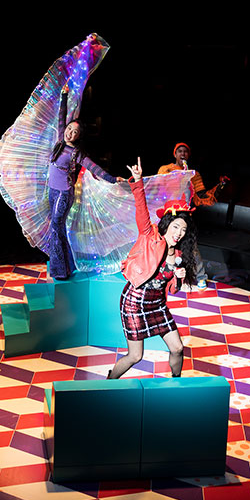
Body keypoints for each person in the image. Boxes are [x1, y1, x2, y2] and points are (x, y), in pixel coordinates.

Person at [108, 157, 197, 379]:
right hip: (135, 302)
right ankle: (108, 382)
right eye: (176, 227)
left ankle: (176, 384)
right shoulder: (150, 236)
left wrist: (178, 278)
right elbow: (141, 209)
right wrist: (137, 182)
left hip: (157, 304)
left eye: (183, 230)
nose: (179, 233)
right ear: (167, 225)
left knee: (177, 348)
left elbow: (172, 292)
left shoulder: (178, 254)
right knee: (135, 356)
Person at [47, 84, 119, 279]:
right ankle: (67, 265)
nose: (70, 132)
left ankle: (61, 271)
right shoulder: (60, 141)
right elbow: (61, 118)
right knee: (57, 229)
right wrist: (63, 96)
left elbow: (95, 167)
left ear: (79, 136)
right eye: (69, 129)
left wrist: (112, 179)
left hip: (63, 193)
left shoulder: (76, 153)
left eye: (75, 132)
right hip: (52, 191)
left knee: (55, 228)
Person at [157, 142, 230, 290]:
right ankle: (160, 274)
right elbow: (157, 187)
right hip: (168, 215)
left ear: (188, 155)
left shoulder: (193, 174)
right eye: (180, 151)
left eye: (185, 152)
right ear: (175, 154)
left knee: (191, 246)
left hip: (184, 215)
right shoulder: (166, 169)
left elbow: (202, 196)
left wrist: (220, 186)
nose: (182, 154)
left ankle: (201, 277)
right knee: (162, 244)